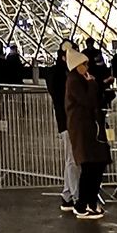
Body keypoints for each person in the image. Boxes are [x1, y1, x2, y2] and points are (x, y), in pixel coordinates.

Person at [64, 47, 109, 219]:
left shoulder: (79, 79)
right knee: (90, 166)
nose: (87, 67)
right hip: (83, 129)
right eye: (84, 64)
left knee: (95, 165)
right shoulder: (75, 82)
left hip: (89, 128)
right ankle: (83, 204)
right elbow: (88, 101)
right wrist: (92, 84)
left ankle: (89, 202)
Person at [47, 44, 77, 212]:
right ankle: (76, 196)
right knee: (73, 159)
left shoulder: (56, 73)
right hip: (68, 120)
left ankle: (67, 196)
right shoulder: (63, 75)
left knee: (70, 159)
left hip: (65, 120)